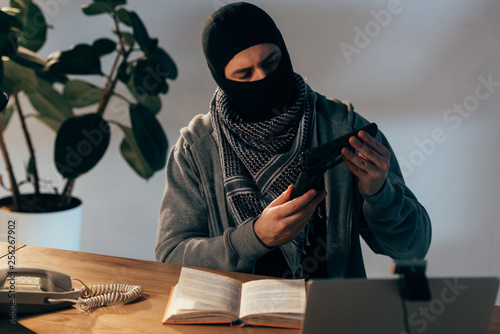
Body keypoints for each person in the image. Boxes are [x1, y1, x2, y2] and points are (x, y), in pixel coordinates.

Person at [155, 2, 431, 279]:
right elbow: (171, 258)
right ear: (222, 78)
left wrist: (380, 193)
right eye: (244, 74)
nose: (263, 78)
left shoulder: (343, 128)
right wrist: (256, 237)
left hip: (331, 315)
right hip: (234, 319)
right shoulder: (195, 150)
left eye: (271, 62)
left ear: (284, 54)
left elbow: (412, 249)